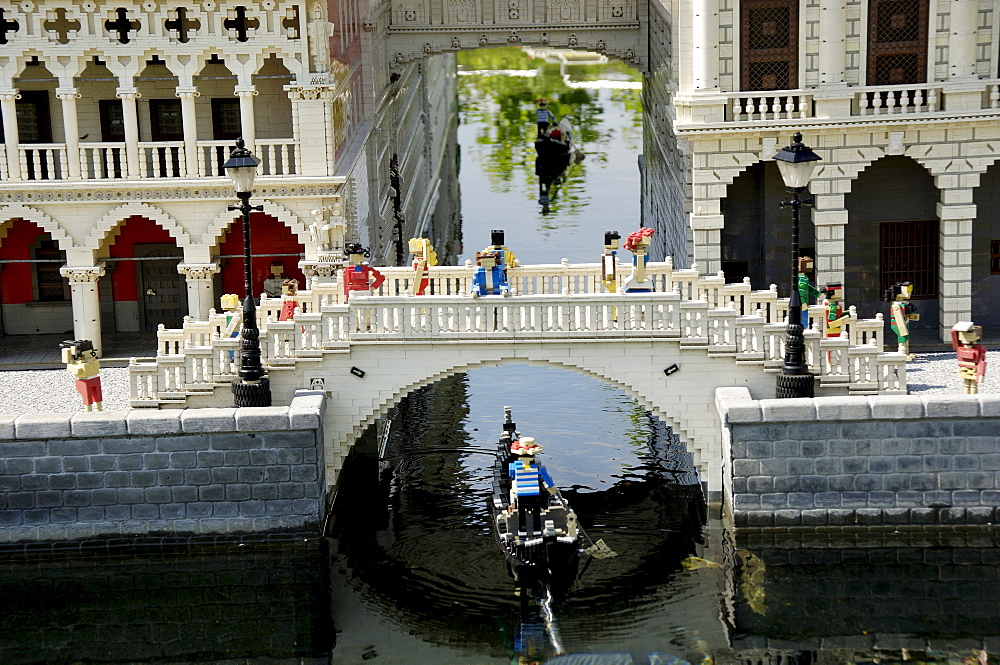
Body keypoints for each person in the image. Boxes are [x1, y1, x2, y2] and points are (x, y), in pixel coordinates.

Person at [508, 437, 556, 536]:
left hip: (522, 492)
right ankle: (536, 530)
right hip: (533, 491)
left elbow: (512, 477)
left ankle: (522, 531)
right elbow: (545, 478)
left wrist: (514, 487)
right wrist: (551, 487)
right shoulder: (536, 468)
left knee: (522, 512)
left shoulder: (515, 467)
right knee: (535, 512)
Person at [60, 339, 103, 411]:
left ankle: (89, 410)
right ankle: (97, 408)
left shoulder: (82, 362)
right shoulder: (91, 360)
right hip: (93, 377)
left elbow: (73, 368)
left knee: (88, 396)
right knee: (94, 395)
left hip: (85, 379)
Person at [952, 321, 987, 394]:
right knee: (967, 384)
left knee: (972, 385)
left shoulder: (978, 349)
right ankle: (967, 397)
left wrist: (981, 374)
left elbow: (981, 361)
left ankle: (973, 397)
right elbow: (954, 336)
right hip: (965, 367)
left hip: (973, 368)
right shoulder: (960, 348)